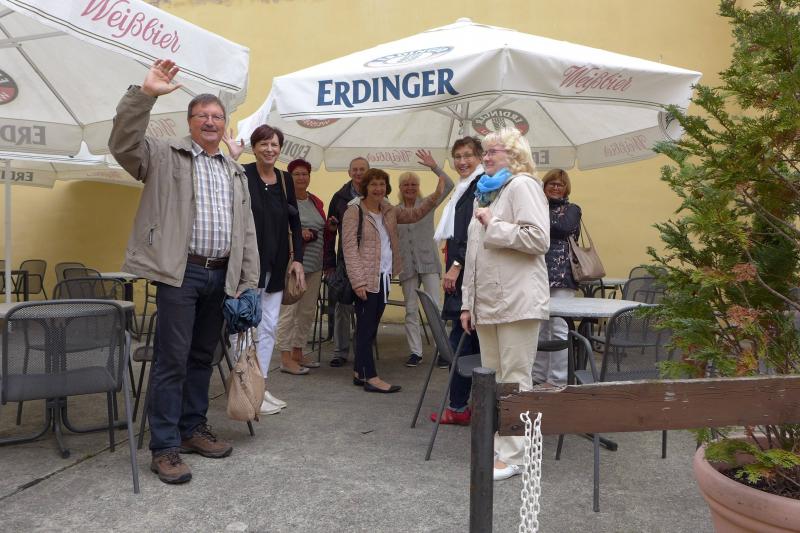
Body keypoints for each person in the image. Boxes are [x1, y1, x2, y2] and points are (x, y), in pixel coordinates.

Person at [109, 59, 259, 484]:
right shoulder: (163, 154)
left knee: (202, 358)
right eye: (202, 116)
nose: (210, 121)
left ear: (224, 125)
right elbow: (123, 144)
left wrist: (247, 282)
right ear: (189, 122)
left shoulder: (234, 170)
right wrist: (145, 95)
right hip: (180, 273)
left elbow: (245, 230)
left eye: (217, 117)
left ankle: (193, 429)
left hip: (221, 275)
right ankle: (164, 446)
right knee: (171, 360)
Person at [459, 128, 550, 481]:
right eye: (484, 152)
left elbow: (539, 238)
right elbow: (473, 253)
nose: (485, 157)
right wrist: (467, 303)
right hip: (489, 303)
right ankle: (500, 447)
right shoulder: (487, 192)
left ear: (513, 154)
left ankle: (516, 456)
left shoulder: (523, 185)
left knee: (515, 378)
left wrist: (494, 224)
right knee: (494, 380)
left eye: (493, 151)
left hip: (517, 300)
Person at [342, 168, 446, 393]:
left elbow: (414, 214)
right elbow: (349, 249)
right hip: (366, 279)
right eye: (373, 184)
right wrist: (358, 281)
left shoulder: (388, 210)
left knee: (370, 327)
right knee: (366, 328)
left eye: (382, 184)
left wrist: (436, 195)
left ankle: (359, 371)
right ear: (365, 187)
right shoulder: (354, 211)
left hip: (384, 276)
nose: (378, 188)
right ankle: (371, 377)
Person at [233, 124, 307, 416]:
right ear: (254, 148)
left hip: (276, 267)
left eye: (274, 144)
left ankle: (260, 386)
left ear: (280, 149)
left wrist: (298, 259)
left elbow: (295, 222)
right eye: (263, 144)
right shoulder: (242, 174)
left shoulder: (285, 180)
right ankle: (244, 388)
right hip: (246, 267)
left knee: (268, 327)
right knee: (243, 328)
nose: (269, 149)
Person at [429, 136, 485, 425]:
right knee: (469, 343)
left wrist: (455, 265)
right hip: (462, 278)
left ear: (480, 157)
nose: (462, 161)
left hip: (467, 278)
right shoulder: (465, 186)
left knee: (461, 344)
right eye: (458, 156)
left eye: (468, 156)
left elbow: (474, 234)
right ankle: (469, 405)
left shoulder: (479, 186)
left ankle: (459, 407)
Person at [395, 150, 454, 367]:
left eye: (413, 184)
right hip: (407, 267)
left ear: (418, 187)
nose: (410, 188)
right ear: (400, 188)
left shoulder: (428, 203)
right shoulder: (394, 211)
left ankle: (442, 352)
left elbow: (449, 185)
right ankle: (415, 352)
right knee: (411, 310)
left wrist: (434, 167)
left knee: (435, 309)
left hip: (428, 263)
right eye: (405, 185)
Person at [275, 159, 333, 372]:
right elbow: (277, 230)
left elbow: (322, 229)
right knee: (289, 311)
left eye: (305, 174)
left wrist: (329, 227)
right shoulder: (284, 201)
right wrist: (299, 234)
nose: (301, 178)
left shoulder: (315, 201)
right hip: (292, 265)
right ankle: (285, 357)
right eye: (297, 174)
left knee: (307, 311)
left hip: (315, 264)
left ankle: (298, 351)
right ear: (289, 177)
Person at [533, 169, 581, 386]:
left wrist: (537, 216)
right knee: (539, 329)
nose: (555, 187)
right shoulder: (537, 206)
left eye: (559, 184)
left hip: (563, 276)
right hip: (536, 274)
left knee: (559, 328)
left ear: (566, 188)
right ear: (543, 186)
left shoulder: (573, 209)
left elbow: (564, 227)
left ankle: (557, 379)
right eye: (550, 183)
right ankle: (538, 376)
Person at [323, 157, 369, 367]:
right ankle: (340, 352)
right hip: (345, 259)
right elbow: (330, 232)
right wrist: (329, 263)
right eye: (355, 170)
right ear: (349, 173)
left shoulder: (375, 194)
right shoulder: (339, 197)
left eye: (362, 169)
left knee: (365, 308)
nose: (358, 173)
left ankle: (362, 351)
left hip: (369, 260)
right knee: (343, 306)